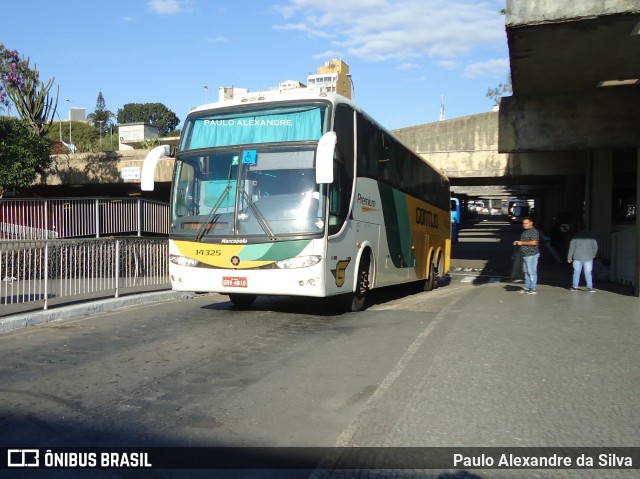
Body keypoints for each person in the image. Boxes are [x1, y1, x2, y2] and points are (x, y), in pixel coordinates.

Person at [567, 225, 598, 292]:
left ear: (578, 229)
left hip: (577, 257)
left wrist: (569, 257)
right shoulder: (591, 236)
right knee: (588, 273)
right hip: (588, 257)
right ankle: (590, 287)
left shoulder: (575, 236)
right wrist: (593, 255)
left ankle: (575, 287)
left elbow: (571, 247)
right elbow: (595, 247)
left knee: (576, 272)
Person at [513, 217, 540, 294]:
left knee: (531, 272)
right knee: (526, 272)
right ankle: (527, 287)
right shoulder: (524, 232)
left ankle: (533, 288)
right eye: (523, 223)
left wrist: (522, 243)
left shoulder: (534, 231)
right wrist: (518, 243)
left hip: (532, 255)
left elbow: (534, 243)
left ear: (531, 223)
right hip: (525, 255)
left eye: (526, 223)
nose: (524, 225)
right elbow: (524, 242)